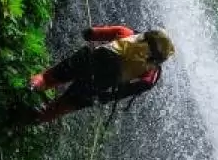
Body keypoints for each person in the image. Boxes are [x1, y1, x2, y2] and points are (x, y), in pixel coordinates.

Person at [27, 24, 175, 124]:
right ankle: (31, 118)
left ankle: (33, 85)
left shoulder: (128, 34)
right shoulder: (150, 73)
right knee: (63, 106)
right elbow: (129, 90)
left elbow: (92, 33)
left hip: (91, 58)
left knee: (49, 77)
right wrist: (103, 98)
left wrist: (90, 33)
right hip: (102, 82)